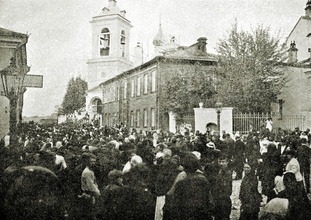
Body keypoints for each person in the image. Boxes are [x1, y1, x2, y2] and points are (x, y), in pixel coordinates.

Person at [169, 153, 214, 220]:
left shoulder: (180, 184)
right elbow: (209, 201)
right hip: (201, 216)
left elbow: (176, 205)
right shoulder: (203, 181)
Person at [80, 153, 100, 219]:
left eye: (94, 161)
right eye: (91, 161)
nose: (93, 163)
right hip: (89, 194)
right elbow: (91, 186)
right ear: (88, 162)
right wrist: (98, 193)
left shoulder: (90, 171)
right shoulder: (87, 172)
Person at [213, 153, 232, 220]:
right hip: (218, 199)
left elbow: (227, 188)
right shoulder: (218, 171)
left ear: (227, 162)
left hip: (224, 200)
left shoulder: (227, 173)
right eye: (219, 161)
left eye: (223, 162)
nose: (221, 163)